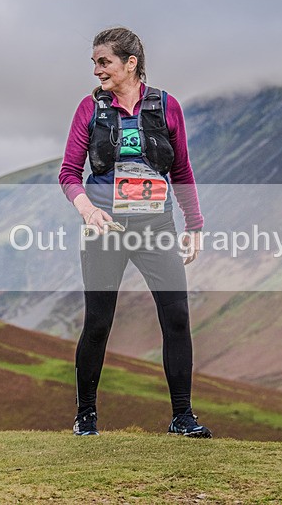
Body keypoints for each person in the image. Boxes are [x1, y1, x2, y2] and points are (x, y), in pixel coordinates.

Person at [58, 27, 212, 437]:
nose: (96, 71)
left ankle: (183, 417)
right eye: (94, 63)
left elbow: (181, 170)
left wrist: (193, 224)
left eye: (103, 62)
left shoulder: (167, 106)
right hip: (104, 228)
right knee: (98, 323)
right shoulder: (88, 110)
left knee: (177, 316)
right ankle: (86, 416)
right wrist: (87, 209)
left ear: (131, 63)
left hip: (155, 226)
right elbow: (69, 173)